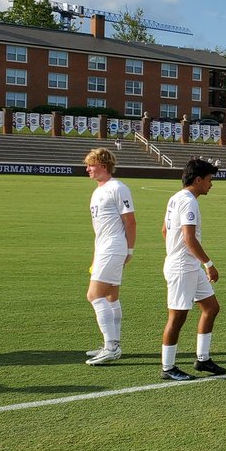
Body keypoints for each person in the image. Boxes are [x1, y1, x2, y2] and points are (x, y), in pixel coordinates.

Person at [160, 157, 225, 381]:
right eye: (209, 180)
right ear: (198, 180)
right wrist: (208, 264)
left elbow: (164, 231)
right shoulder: (188, 201)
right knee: (177, 316)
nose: (211, 184)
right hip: (182, 267)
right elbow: (188, 238)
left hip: (187, 265)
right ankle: (168, 368)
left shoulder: (176, 198)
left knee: (211, 307)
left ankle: (203, 359)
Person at [82, 148, 136, 366]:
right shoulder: (98, 191)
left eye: (91, 165)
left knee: (94, 295)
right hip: (104, 247)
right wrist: (96, 255)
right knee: (111, 296)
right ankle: (112, 344)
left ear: (103, 166)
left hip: (114, 247)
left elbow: (130, 221)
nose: (88, 169)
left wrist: (129, 250)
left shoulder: (118, 188)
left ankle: (111, 347)